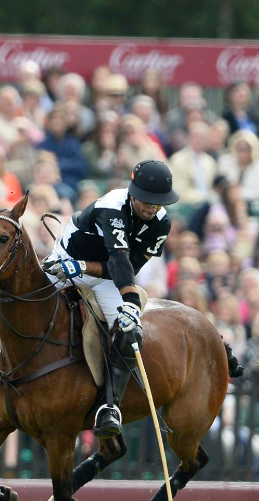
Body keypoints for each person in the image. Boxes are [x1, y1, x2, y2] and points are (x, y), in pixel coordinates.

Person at [42, 160, 178, 438]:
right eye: (146, 201)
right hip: (66, 261)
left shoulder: (162, 222)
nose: (151, 208)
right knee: (28, 301)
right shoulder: (112, 208)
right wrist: (131, 299)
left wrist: (127, 304)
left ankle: (110, 407)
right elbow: (118, 258)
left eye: (157, 203)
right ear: (133, 193)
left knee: (130, 331)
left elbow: (130, 265)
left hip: (105, 277)